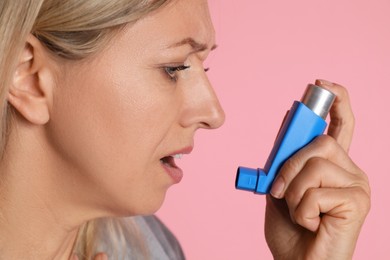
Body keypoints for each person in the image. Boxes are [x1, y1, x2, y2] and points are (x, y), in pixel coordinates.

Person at [0, 0, 370, 259]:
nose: (214, 113)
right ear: (30, 77)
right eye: (173, 68)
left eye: (203, 68)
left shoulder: (153, 249)